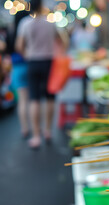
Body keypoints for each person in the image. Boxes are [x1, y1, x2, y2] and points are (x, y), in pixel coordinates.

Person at [16, 0, 67, 148]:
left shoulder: (25, 23)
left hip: (33, 62)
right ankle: (48, 131)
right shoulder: (50, 23)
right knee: (50, 97)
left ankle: (36, 136)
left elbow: (19, 46)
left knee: (34, 99)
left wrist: (28, 54)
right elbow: (63, 40)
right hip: (49, 62)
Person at [6, 11, 30, 138]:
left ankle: (25, 128)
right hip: (29, 66)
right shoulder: (27, 30)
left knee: (22, 100)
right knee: (32, 100)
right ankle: (34, 128)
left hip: (17, 69)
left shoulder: (10, 33)